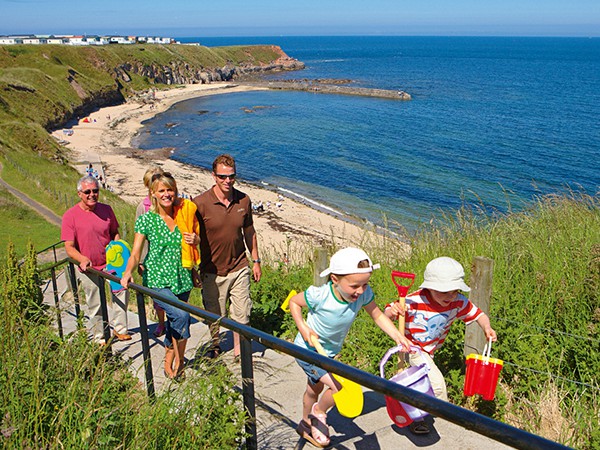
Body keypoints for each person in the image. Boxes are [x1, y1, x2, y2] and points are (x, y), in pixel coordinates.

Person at [289, 247, 411, 448]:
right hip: (307, 350)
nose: (361, 291)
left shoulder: (363, 294)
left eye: (365, 284)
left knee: (314, 388)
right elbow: (294, 302)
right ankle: (319, 412)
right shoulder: (320, 295)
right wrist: (303, 327)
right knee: (340, 386)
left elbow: (377, 315)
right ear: (335, 279)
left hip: (328, 353)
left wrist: (398, 336)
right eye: (355, 285)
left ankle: (305, 423)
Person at [384, 256, 497, 435]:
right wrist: (394, 310)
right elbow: (386, 314)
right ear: (429, 287)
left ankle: (416, 418)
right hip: (411, 347)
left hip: (430, 351)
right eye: (444, 292)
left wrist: (487, 327)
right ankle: (445, 416)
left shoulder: (458, 301)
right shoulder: (414, 301)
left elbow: (478, 315)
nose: (450, 296)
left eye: (454, 291)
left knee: (418, 384)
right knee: (437, 385)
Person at [121, 172, 200, 380]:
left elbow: (192, 243)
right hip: (157, 280)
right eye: (162, 190)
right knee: (182, 316)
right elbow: (136, 251)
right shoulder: (146, 220)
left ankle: (169, 356)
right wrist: (128, 272)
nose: (167, 194)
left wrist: (196, 241)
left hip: (182, 278)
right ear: (153, 193)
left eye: (170, 189)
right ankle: (180, 361)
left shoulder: (183, 215)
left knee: (176, 321)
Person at [193, 154, 261, 359]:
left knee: (242, 314)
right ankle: (215, 345)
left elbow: (250, 232)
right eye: (222, 176)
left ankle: (240, 353)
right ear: (213, 176)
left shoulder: (244, 200)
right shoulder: (200, 203)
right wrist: (192, 268)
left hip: (239, 265)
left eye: (231, 176)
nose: (227, 181)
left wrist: (256, 261)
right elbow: (191, 238)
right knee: (214, 314)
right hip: (212, 270)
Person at [61, 175, 130, 344]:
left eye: (95, 191)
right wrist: (82, 258)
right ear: (79, 193)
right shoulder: (70, 216)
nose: (92, 194)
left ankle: (120, 329)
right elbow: (69, 247)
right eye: (87, 191)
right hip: (89, 268)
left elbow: (115, 233)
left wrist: (118, 251)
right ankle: (100, 336)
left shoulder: (107, 210)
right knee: (95, 302)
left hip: (111, 264)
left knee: (121, 293)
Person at [135, 166, 167, 337]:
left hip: (169, 259)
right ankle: (162, 323)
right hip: (152, 260)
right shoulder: (143, 207)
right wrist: (140, 262)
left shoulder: (170, 202)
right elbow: (139, 239)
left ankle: (172, 322)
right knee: (157, 296)